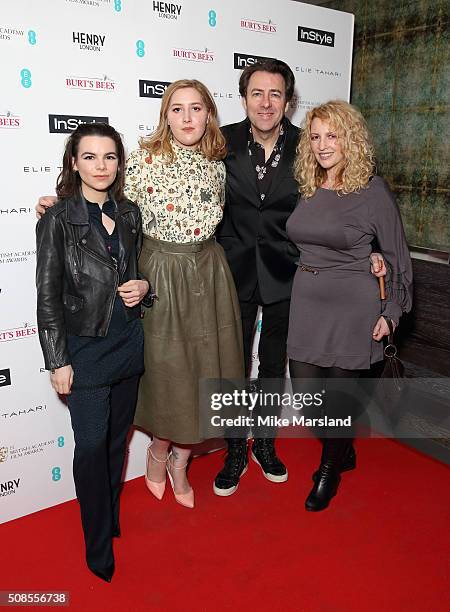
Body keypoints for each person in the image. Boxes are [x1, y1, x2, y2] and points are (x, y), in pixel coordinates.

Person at [214, 60, 386, 496]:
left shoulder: (308, 146)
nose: (266, 103)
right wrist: (69, 197)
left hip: (289, 277)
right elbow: (168, 173)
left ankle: (265, 445)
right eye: (257, 93)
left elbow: (351, 194)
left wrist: (374, 249)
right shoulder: (220, 141)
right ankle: (236, 450)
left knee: (273, 367)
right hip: (230, 273)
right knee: (233, 367)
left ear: (288, 101)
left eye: (275, 94)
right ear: (244, 97)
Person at [36, 123, 150, 581]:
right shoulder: (57, 220)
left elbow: (137, 274)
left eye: (109, 157)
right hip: (83, 349)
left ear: (119, 163)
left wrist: (146, 287)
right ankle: (97, 543)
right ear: (73, 162)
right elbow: (47, 296)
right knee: (89, 447)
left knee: (115, 444)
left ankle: (110, 514)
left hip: (127, 345)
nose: (100, 166)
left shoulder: (130, 214)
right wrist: (57, 358)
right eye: (89, 157)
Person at [287, 100, 413, 511]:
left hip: (352, 304)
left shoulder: (371, 190)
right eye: (316, 136)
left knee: (338, 398)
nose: (323, 145)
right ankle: (341, 448)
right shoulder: (308, 184)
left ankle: (329, 470)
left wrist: (391, 312)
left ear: (350, 139)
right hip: (307, 300)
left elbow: (396, 255)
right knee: (308, 396)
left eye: (332, 135)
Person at [124, 79, 244, 509]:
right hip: (160, 273)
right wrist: (60, 205)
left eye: (196, 108)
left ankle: (182, 460)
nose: (187, 118)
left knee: (207, 371)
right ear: (165, 115)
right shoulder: (142, 161)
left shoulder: (218, 163)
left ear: (209, 114)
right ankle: (160, 450)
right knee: (167, 372)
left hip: (209, 273)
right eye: (177, 109)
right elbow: (107, 208)